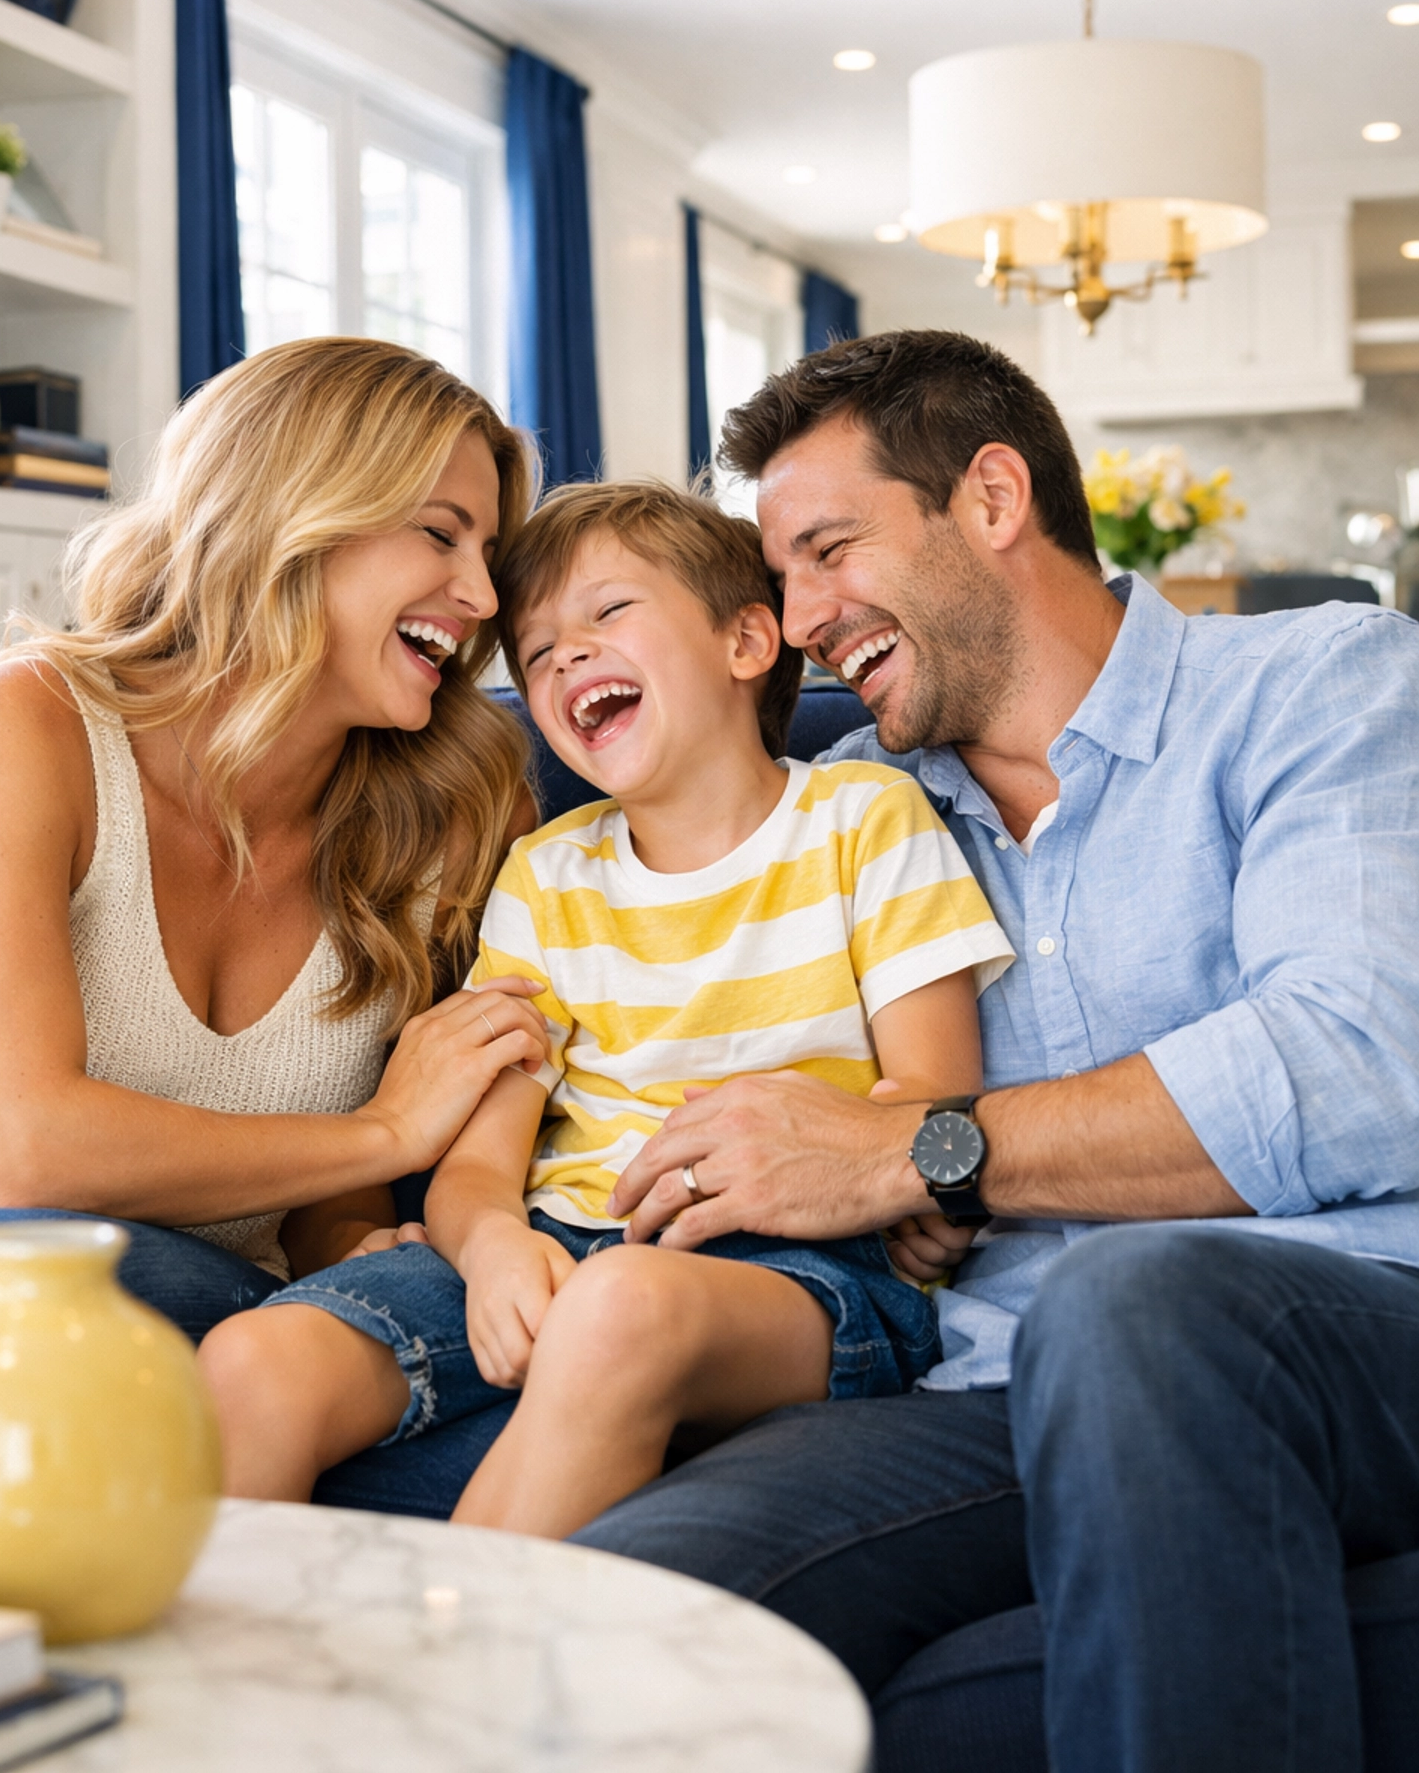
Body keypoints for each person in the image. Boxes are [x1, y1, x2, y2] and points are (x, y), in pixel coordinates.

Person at [567, 331, 1419, 1773]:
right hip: (990, 1380)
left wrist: (922, 1153)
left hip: (1353, 1326)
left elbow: (1363, 1061)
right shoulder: (843, 812)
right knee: (630, 1611)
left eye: (831, 548)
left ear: (994, 497)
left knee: (1140, 1308)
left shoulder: (1318, 683)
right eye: (780, 577)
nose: (804, 615)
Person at [195, 481, 1013, 1526]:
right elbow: (482, 1163)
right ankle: (223, 1686)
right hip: (563, 1242)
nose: (566, 655)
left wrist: (908, 1193)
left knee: (620, 1310)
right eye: (536, 654)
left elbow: (936, 1092)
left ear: (748, 641)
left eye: (609, 613)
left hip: (805, 1267)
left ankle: (439, 1669)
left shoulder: (861, 820)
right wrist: (489, 1246)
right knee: (254, 1360)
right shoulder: (546, 877)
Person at [0, 338, 551, 1378]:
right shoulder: (30, 726)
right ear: (294, 515)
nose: (483, 599)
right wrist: (386, 1134)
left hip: (239, 1327)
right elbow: (24, 1153)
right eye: (440, 536)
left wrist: (354, 1254)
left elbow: (330, 1209)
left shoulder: (453, 814)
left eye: (488, 555)